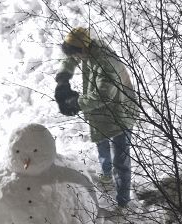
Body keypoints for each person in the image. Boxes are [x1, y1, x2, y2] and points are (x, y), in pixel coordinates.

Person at [54, 27, 138, 208]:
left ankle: (123, 202)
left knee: (121, 158)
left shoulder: (106, 63)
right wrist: (63, 78)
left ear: (83, 50)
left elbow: (103, 95)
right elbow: (69, 57)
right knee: (101, 139)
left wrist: (75, 103)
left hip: (120, 111)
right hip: (100, 111)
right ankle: (106, 175)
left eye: (77, 56)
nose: (75, 59)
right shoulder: (85, 48)